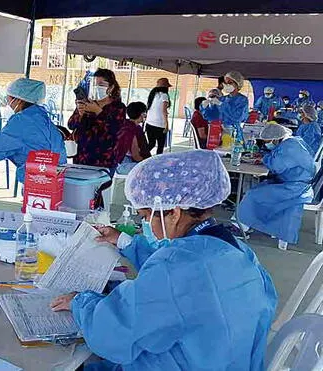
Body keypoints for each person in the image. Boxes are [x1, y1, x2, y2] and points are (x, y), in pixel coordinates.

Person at [51, 150, 277, 371]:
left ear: (174, 213)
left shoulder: (174, 269)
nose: (146, 225)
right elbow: (184, 278)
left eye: (145, 216)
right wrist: (123, 241)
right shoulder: (237, 250)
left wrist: (80, 302)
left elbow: (112, 335)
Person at [0, 78, 66, 184]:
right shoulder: (42, 117)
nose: (8, 101)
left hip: (39, 181)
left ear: (19, 99)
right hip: (56, 177)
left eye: (9, 97)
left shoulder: (21, 121)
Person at [238, 124, 315, 250]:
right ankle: (245, 224)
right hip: (293, 182)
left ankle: (241, 227)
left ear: (275, 139)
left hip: (294, 188)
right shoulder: (291, 142)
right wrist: (265, 156)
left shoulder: (289, 147)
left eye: (268, 142)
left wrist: (264, 158)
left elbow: (276, 166)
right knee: (260, 188)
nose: (267, 144)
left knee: (253, 195)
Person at [67, 69, 126, 173]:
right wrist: (80, 114)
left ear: (111, 87)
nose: (97, 87)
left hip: (103, 161)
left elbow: (114, 130)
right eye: (95, 84)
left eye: (101, 84)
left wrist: (98, 112)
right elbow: (71, 124)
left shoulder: (118, 107)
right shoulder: (87, 103)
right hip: (81, 158)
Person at [115, 102, 151, 174]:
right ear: (141, 114)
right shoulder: (133, 130)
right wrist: (148, 162)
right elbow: (136, 156)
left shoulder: (124, 124)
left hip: (116, 161)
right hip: (121, 165)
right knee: (149, 169)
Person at [216, 71, 249, 142]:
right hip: (219, 132)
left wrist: (222, 105)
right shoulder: (223, 99)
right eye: (225, 83)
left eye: (230, 83)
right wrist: (206, 106)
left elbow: (237, 117)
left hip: (234, 133)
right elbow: (212, 117)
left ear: (237, 84)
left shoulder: (242, 100)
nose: (227, 85)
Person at [144, 77, 172, 154]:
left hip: (149, 123)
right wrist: (166, 125)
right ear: (166, 87)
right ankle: (157, 163)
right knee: (160, 147)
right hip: (159, 125)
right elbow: (164, 111)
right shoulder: (164, 95)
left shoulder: (152, 95)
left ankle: (141, 156)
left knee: (151, 144)